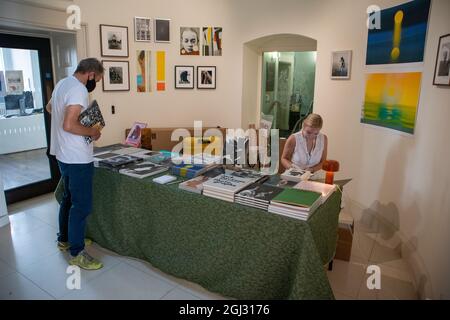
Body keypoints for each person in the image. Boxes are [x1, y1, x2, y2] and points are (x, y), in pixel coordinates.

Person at [45, 58, 104, 270]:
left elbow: (50, 107)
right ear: (90, 74)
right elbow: (69, 124)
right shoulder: (79, 89)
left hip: (62, 153)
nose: (95, 83)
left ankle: (64, 239)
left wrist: (76, 123)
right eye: (96, 78)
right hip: (77, 157)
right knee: (82, 205)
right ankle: (77, 252)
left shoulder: (62, 83)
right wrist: (92, 131)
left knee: (68, 199)